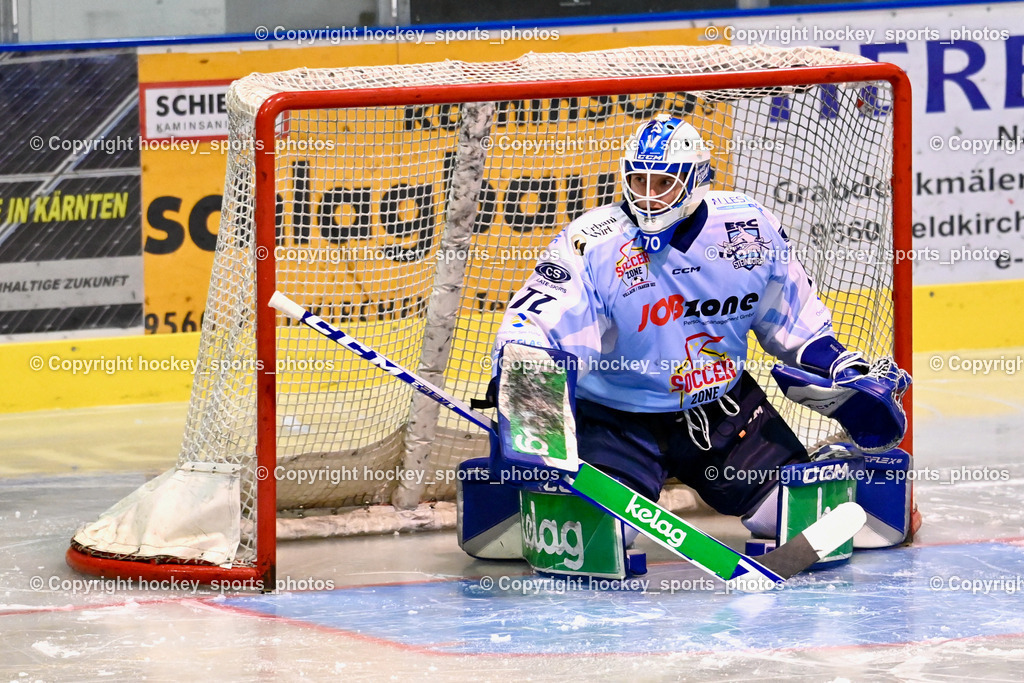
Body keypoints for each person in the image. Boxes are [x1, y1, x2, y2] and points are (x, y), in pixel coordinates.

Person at [491, 114, 909, 540]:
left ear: (695, 181)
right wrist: (526, 391)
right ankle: (517, 496)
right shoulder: (594, 241)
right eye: (639, 181)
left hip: (724, 412)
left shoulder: (748, 228)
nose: (649, 197)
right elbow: (538, 322)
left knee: (804, 524)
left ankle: (836, 470)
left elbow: (793, 323)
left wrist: (841, 369)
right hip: (617, 419)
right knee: (602, 536)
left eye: (663, 183)